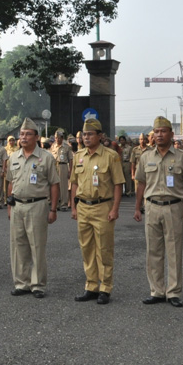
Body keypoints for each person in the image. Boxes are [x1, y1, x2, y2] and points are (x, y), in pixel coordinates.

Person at [133, 117, 183, 307]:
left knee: (174, 251)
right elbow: (141, 183)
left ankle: (174, 292)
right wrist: (137, 207)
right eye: (156, 131)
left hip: (174, 207)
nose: (159, 135)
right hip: (151, 207)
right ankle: (157, 291)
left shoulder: (182, 157)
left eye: (163, 131)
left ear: (171, 134)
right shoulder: (146, 157)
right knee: (153, 251)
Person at [70, 118, 125, 305]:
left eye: (90, 134)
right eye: (84, 134)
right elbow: (74, 183)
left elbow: (118, 184)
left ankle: (105, 287)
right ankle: (91, 286)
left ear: (100, 136)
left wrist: (115, 208)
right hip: (83, 207)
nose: (86, 137)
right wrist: (73, 206)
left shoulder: (110, 156)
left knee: (104, 249)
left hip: (103, 206)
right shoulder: (78, 156)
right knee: (87, 249)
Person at [6, 118, 59, 299]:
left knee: (37, 246)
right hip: (17, 205)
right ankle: (22, 283)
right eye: (21, 134)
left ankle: (37, 285)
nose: (24, 137)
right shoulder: (13, 157)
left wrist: (53, 209)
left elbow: (54, 184)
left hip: (37, 204)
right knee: (18, 246)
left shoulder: (46, 157)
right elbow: (10, 183)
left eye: (28, 134)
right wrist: (8, 204)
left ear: (37, 137)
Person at [49, 130, 73, 211]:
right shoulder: (53, 146)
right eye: (55, 138)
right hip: (54, 166)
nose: (57, 140)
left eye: (58, 138)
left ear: (62, 138)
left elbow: (70, 159)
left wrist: (70, 170)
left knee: (63, 186)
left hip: (63, 166)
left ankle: (64, 204)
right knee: (55, 185)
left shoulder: (66, 146)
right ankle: (57, 203)